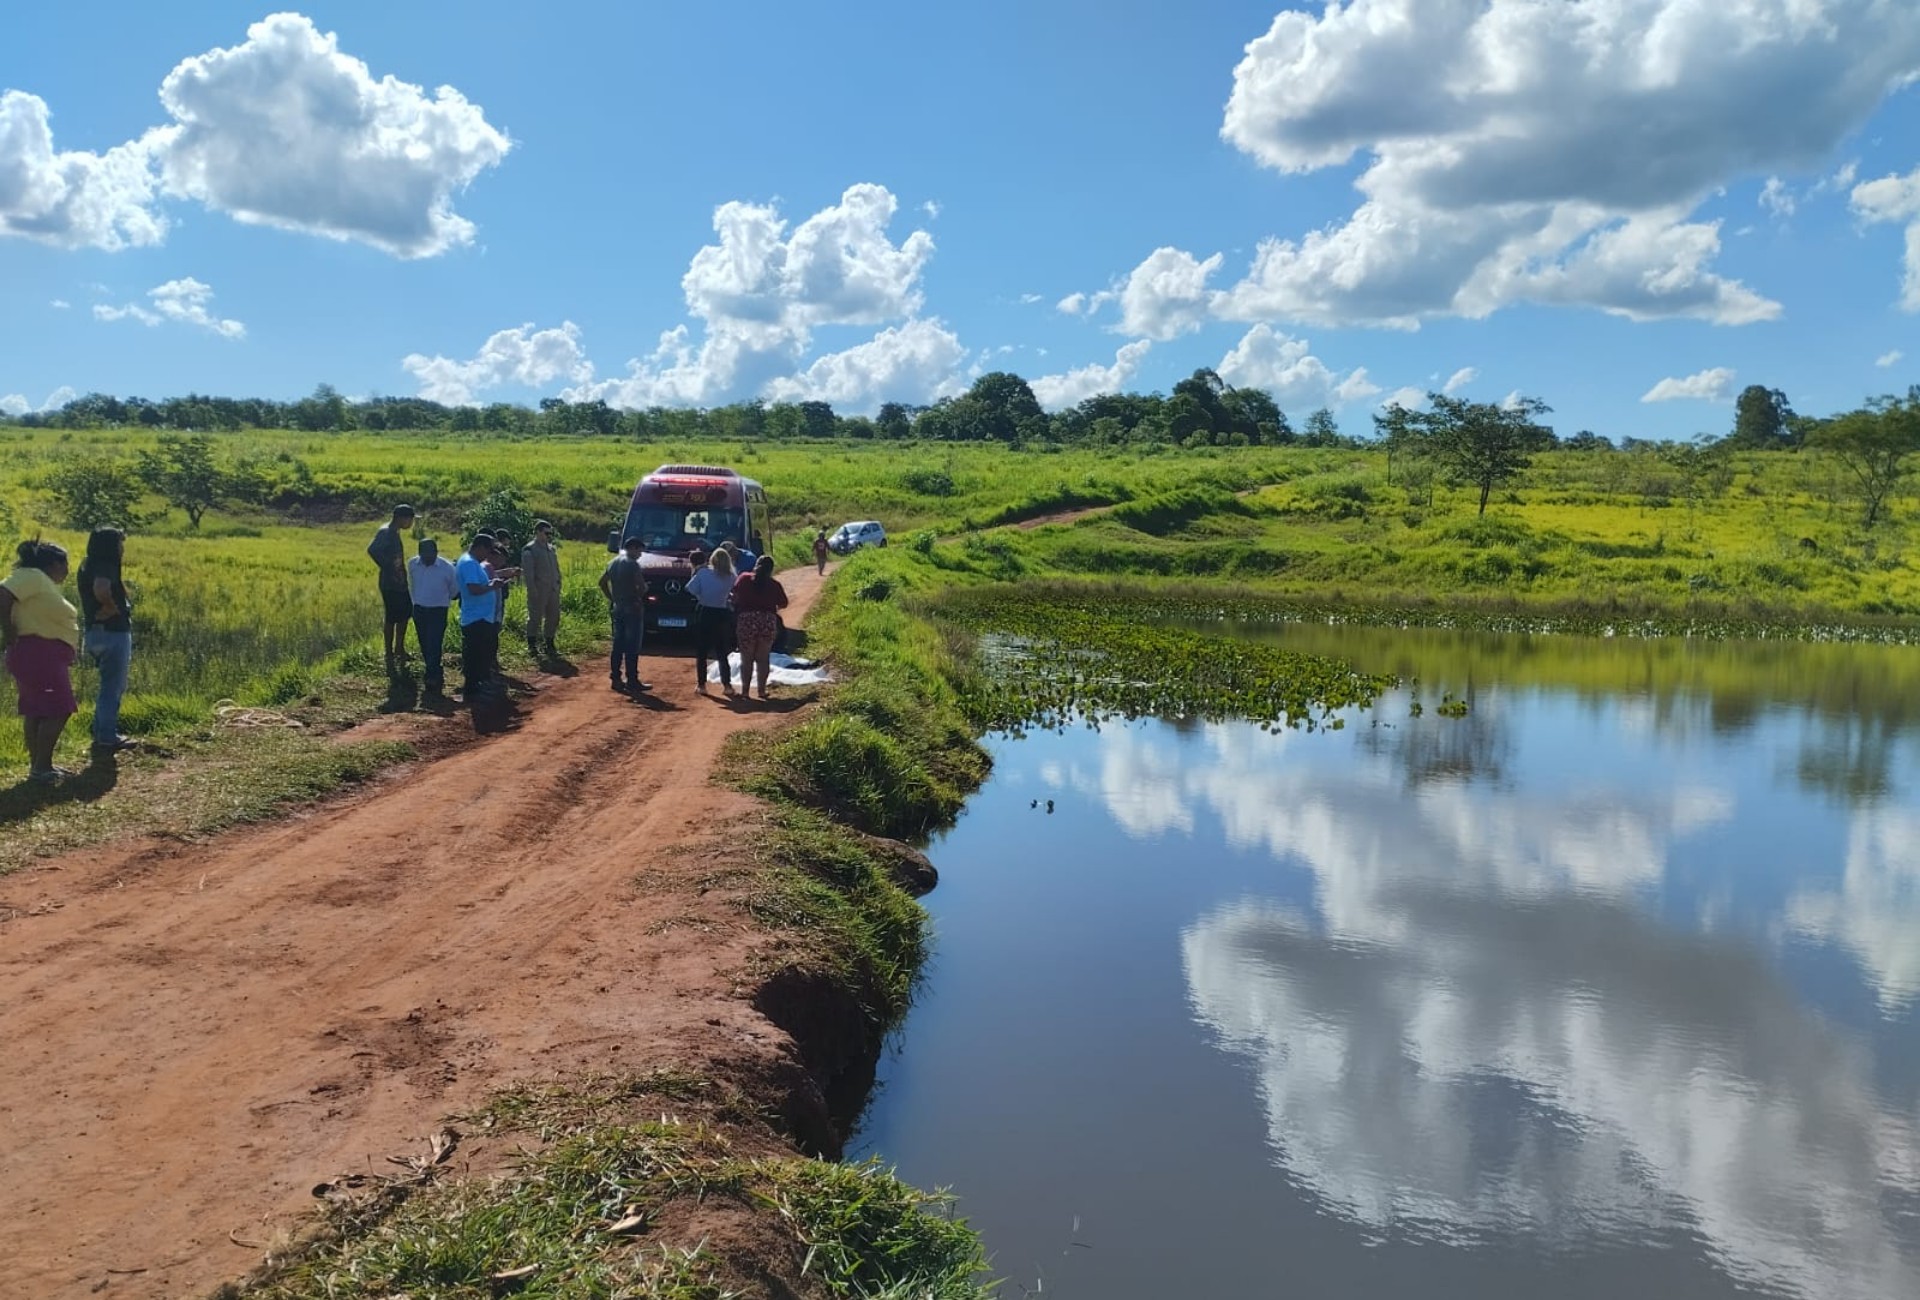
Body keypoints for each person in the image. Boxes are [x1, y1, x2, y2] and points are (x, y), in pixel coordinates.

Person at [0, 541, 81, 783]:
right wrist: (7, 629)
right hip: (38, 653)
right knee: (60, 708)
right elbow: (2, 594)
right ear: (54, 564)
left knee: (37, 709)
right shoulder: (32, 576)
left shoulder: (38, 582)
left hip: (39, 653)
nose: (67, 569)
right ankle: (41, 767)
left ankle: (39, 767)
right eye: (65, 563)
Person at [76, 528, 137, 756]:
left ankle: (100, 731)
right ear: (110, 546)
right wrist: (111, 607)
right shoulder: (105, 565)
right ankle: (107, 737)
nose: (122, 549)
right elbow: (101, 588)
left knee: (107, 685)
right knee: (113, 687)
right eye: (120, 544)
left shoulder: (87, 564)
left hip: (94, 632)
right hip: (113, 633)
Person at [455, 535, 509, 702]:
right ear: (480, 547)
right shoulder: (470, 563)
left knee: (480, 654)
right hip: (476, 617)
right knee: (475, 655)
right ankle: (473, 688)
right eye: (488, 550)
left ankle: (479, 685)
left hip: (480, 616)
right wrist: (492, 586)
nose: (488, 556)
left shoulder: (471, 562)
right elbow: (473, 589)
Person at [730, 555, 789, 702]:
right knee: (763, 659)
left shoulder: (744, 579)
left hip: (746, 621)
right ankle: (761, 692)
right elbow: (784, 603)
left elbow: (734, 596)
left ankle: (745, 692)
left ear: (756, 565)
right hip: (767, 621)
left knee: (746, 659)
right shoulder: (774, 584)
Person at [407, 538, 461, 697]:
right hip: (419, 609)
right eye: (424, 554)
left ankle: (431, 675)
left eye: (431, 553)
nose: (427, 557)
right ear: (419, 553)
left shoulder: (447, 568)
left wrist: (443, 600)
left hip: (438, 610)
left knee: (434, 641)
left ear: (436, 552)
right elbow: (412, 584)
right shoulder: (412, 565)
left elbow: (454, 590)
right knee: (424, 642)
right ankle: (434, 668)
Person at [598, 536, 651, 693]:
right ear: (633, 548)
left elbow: (602, 582)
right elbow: (641, 587)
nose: (640, 554)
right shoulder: (632, 565)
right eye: (640, 551)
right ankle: (632, 680)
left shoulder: (612, 563)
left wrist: (612, 598)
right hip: (632, 607)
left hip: (617, 606)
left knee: (617, 644)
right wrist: (644, 589)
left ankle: (615, 678)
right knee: (632, 645)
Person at [368, 504, 416, 671]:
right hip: (390, 583)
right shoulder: (386, 532)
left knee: (404, 613)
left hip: (399, 582)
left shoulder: (394, 532)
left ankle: (399, 649)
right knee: (391, 617)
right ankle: (389, 652)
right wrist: (388, 566)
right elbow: (372, 550)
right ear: (401, 518)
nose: (411, 523)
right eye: (410, 519)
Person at [685, 547, 736, 695]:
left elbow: (690, 588)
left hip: (705, 611)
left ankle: (702, 685)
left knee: (702, 651)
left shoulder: (703, 573)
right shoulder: (731, 576)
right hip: (722, 612)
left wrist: (702, 595)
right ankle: (727, 685)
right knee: (721, 651)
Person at [520, 520, 563, 658]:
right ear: (538, 532)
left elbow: (556, 568)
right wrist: (532, 590)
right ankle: (532, 645)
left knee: (553, 617)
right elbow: (528, 573)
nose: (548, 536)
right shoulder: (530, 549)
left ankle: (549, 643)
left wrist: (558, 583)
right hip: (539, 589)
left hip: (552, 589)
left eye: (550, 533)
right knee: (535, 618)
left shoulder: (550, 548)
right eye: (546, 533)